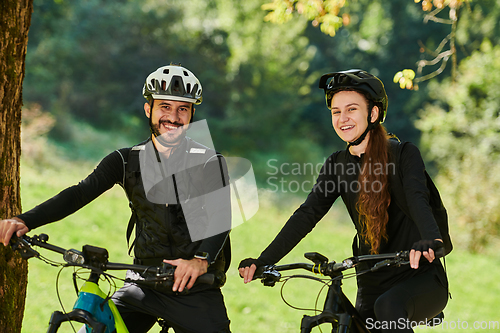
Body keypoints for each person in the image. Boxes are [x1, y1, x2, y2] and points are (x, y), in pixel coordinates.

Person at [0, 64, 232, 333]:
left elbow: (220, 216)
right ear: (149, 110)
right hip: (144, 284)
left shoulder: (209, 162)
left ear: (191, 114)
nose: (173, 117)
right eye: (165, 107)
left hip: (195, 288)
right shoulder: (124, 161)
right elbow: (79, 193)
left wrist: (200, 260)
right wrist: (24, 220)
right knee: (98, 328)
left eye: (183, 108)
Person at [239, 69, 449, 333]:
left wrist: (432, 240)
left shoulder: (404, 154)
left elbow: (419, 199)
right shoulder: (337, 165)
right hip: (372, 279)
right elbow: (307, 215)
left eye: (351, 109)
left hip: (419, 276)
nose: (342, 118)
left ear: (373, 114)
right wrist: (262, 260)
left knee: (388, 308)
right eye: (336, 112)